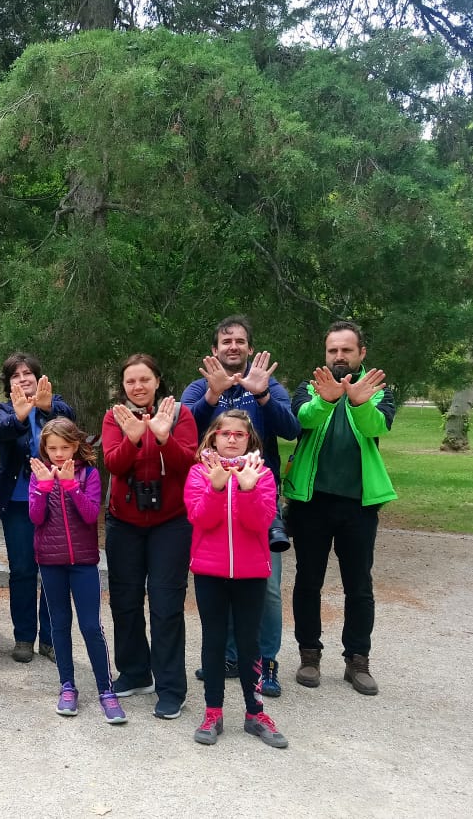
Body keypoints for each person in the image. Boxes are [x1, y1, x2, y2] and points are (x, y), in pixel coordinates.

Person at [179, 315, 299, 696]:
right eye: (226, 341)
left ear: (249, 348)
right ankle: (230, 656)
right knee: (222, 578)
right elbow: (182, 431)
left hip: (255, 492)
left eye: (240, 341)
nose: (233, 346)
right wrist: (211, 397)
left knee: (266, 586)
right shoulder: (199, 387)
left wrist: (262, 394)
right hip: (213, 493)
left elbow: (292, 428)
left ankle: (265, 661)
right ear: (215, 350)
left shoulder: (268, 384)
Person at [285, 320, 395, 696]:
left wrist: (359, 401)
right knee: (308, 581)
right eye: (333, 350)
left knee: (359, 585)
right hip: (311, 503)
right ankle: (309, 655)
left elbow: (375, 427)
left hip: (358, 504)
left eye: (346, 350)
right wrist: (328, 398)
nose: (339, 357)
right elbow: (303, 419)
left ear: (361, 353)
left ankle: (357, 660)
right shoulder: (308, 387)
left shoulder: (376, 388)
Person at [101, 353, 198, 719]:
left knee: (166, 603)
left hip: (170, 523)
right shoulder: (115, 416)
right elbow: (113, 462)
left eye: (144, 379)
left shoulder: (180, 415)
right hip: (124, 522)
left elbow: (187, 462)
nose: (138, 387)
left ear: (157, 381)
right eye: (130, 381)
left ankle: (171, 686)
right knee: (124, 600)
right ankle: (135, 671)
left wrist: (161, 437)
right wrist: (132, 438)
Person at [185, 410, 288, 748]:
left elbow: (260, 523)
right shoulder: (200, 473)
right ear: (213, 436)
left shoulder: (262, 474)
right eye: (224, 433)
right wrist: (216, 488)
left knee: (249, 643)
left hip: (251, 573)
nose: (231, 439)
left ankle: (255, 712)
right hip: (210, 572)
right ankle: (213, 710)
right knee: (213, 641)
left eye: (238, 434)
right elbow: (199, 517)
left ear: (249, 439)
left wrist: (246, 490)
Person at [28, 418, 125, 724]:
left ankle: (105, 690)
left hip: (83, 563)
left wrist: (70, 485)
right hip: (50, 562)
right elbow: (35, 517)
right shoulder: (39, 476)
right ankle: (67, 685)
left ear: (76, 446)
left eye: (65, 447)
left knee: (90, 626)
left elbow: (89, 515)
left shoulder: (90, 474)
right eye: (52, 448)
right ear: (44, 448)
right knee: (59, 624)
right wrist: (44, 489)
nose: (58, 453)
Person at [0, 352, 75, 664]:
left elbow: (69, 418)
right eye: (16, 375)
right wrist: (21, 415)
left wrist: (45, 406)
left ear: (39, 377)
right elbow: (3, 429)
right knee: (23, 570)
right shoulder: (4, 409)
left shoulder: (54, 404)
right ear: (9, 383)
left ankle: (51, 639)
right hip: (17, 502)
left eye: (28, 373)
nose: (23, 378)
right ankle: (24, 637)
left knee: (53, 570)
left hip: (56, 500)